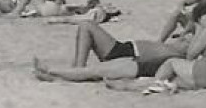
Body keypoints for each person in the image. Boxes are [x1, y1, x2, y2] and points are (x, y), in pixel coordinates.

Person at [31, 20, 189, 83]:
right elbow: (178, 15)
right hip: (126, 49)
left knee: (87, 26)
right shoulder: (177, 47)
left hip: (130, 56)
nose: (184, 39)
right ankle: (72, 71)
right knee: (85, 26)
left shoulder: (179, 56)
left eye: (187, 41)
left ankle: (69, 72)